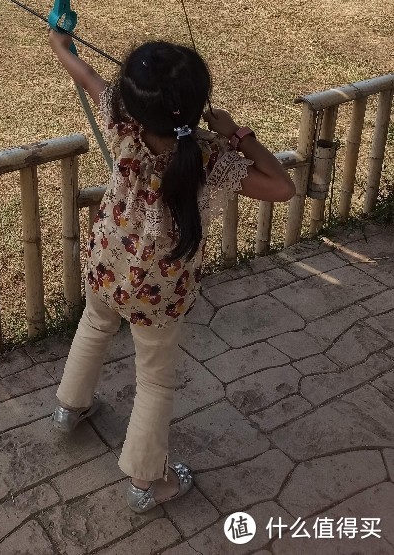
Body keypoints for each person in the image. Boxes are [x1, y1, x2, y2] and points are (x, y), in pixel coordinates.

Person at [47, 32, 295, 512]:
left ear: (134, 103)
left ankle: (68, 409)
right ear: (196, 105)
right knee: (155, 379)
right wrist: (239, 135)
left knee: (96, 325)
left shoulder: (121, 125)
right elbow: (282, 187)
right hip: (159, 291)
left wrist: (61, 41)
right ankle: (146, 483)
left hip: (108, 263)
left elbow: (87, 77)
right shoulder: (206, 157)